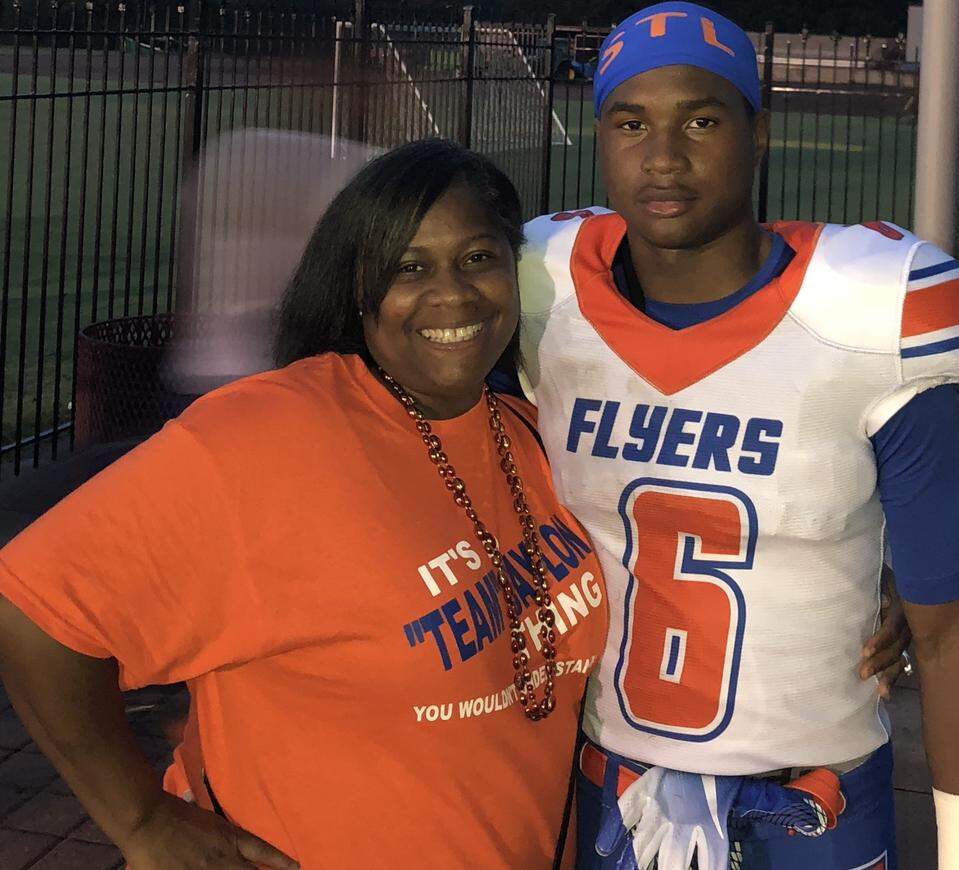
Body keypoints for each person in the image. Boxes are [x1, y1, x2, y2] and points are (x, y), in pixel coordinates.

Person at [0, 140, 610, 869]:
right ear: (359, 288)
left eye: (478, 257)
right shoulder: (273, 434)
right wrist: (141, 820)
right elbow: (33, 609)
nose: (452, 293)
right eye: (408, 267)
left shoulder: (527, 429)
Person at [506, 3, 959, 869]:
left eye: (701, 119)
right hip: (611, 797)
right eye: (632, 123)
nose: (663, 156)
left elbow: (952, 629)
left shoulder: (866, 316)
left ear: (758, 132)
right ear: (600, 138)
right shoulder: (538, 293)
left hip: (814, 807)